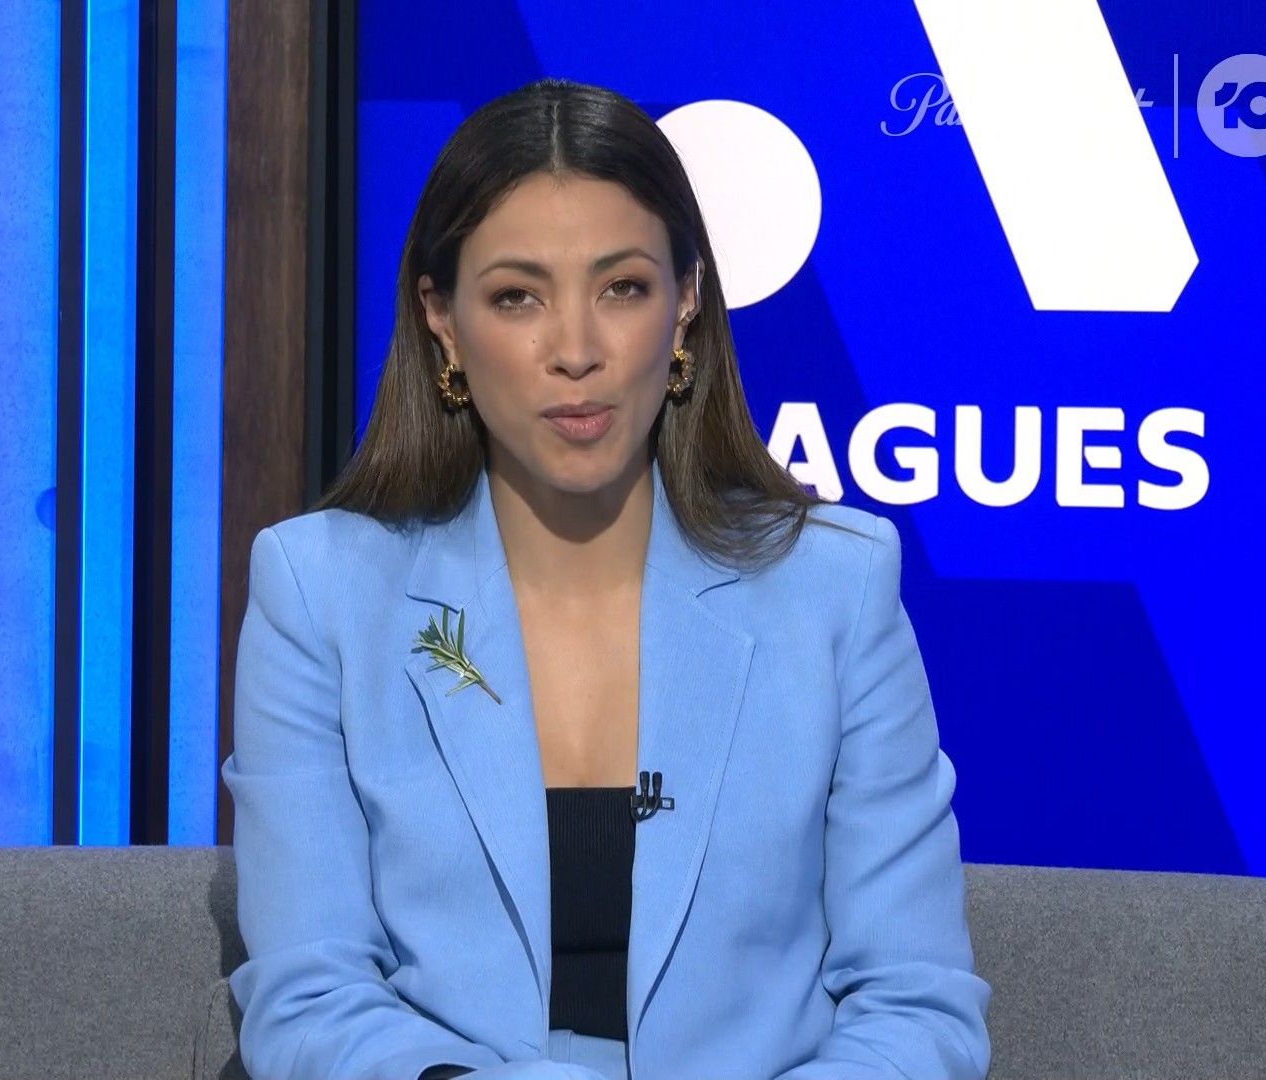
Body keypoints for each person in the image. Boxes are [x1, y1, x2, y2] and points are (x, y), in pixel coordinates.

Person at [221, 76, 991, 1080]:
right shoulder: (320, 593)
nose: (576, 351)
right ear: (442, 319)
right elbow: (310, 1001)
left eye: (622, 288)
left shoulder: (835, 590)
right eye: (517, 297)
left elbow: (917, 1007)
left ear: (686, 304)